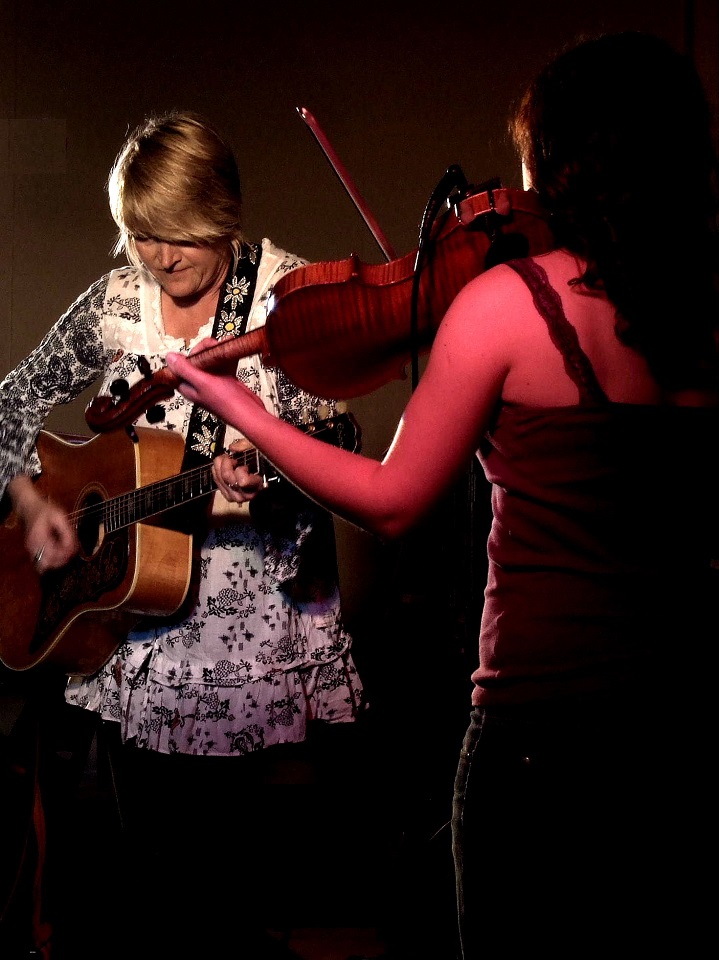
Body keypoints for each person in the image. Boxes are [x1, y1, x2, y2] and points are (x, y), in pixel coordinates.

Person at [165, 32, 719, 959]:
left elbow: (392, 501)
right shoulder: (698, 308)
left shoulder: (509, 304)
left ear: (560, 159)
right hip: (681, 723)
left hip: (540, 729)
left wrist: (238, 408)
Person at [0, 111, 363, 959]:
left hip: (246, 629)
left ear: (222, 214)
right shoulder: (115, 301)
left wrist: (266, 473)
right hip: (131, 623)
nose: (159, 258)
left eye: (177, 235)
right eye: (141, 235)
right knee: (152, 873)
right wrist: (31, 502)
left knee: (232, 877)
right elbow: (11, 402)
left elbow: (339, 444)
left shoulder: (286, 296)